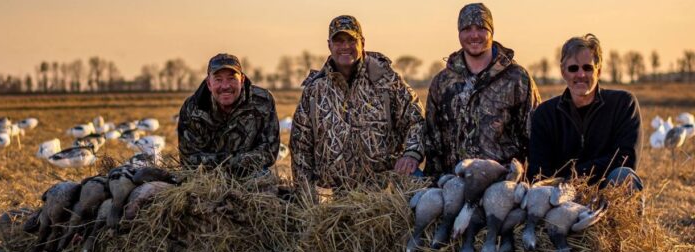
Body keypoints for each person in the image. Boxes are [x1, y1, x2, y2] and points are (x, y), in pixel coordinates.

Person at [290, 15, 425, 190]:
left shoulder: (386, 80)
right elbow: (300, 146)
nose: (345, 46)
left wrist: (411, 154)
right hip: (334, 194)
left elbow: (416, 119)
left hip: (385, 189)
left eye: (351, 40)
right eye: (339, 41)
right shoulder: (315, 90)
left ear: (362, 42)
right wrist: (306, 195)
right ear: (329, 45)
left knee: (424, 193)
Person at [424, 3, 540, 177]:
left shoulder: (517, 79)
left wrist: (531, 181)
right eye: (467, 29)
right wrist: (434, 182)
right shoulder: (442, 82)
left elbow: (535, 138)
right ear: (459, 33)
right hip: (454, 184)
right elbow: (432, 142)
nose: (474, 35)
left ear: (491, 32)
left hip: (504, 184)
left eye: (481, 28)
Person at [527, 34, 643, 191]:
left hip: (606, 193)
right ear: (563, 72)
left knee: (624, 175)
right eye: (573, 68)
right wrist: (567, 187)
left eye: (587, 68)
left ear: (598, 70)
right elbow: (539, 173)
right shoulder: (545, 114)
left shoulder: (623, 104)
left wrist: (575, 177)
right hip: (559, 196)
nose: (581, 74)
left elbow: (625, 159)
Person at [177, 53, 280, 177]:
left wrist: (233, 166)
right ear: (209, 83)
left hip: (250, 174)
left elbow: (269, 151)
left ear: (242, 80)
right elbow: (188, 159)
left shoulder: (263, 102)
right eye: (218, 79)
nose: (225, 86)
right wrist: (226, 167)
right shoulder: (192, 108)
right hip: (206, 177)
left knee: (264, 177)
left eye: (231, 78)